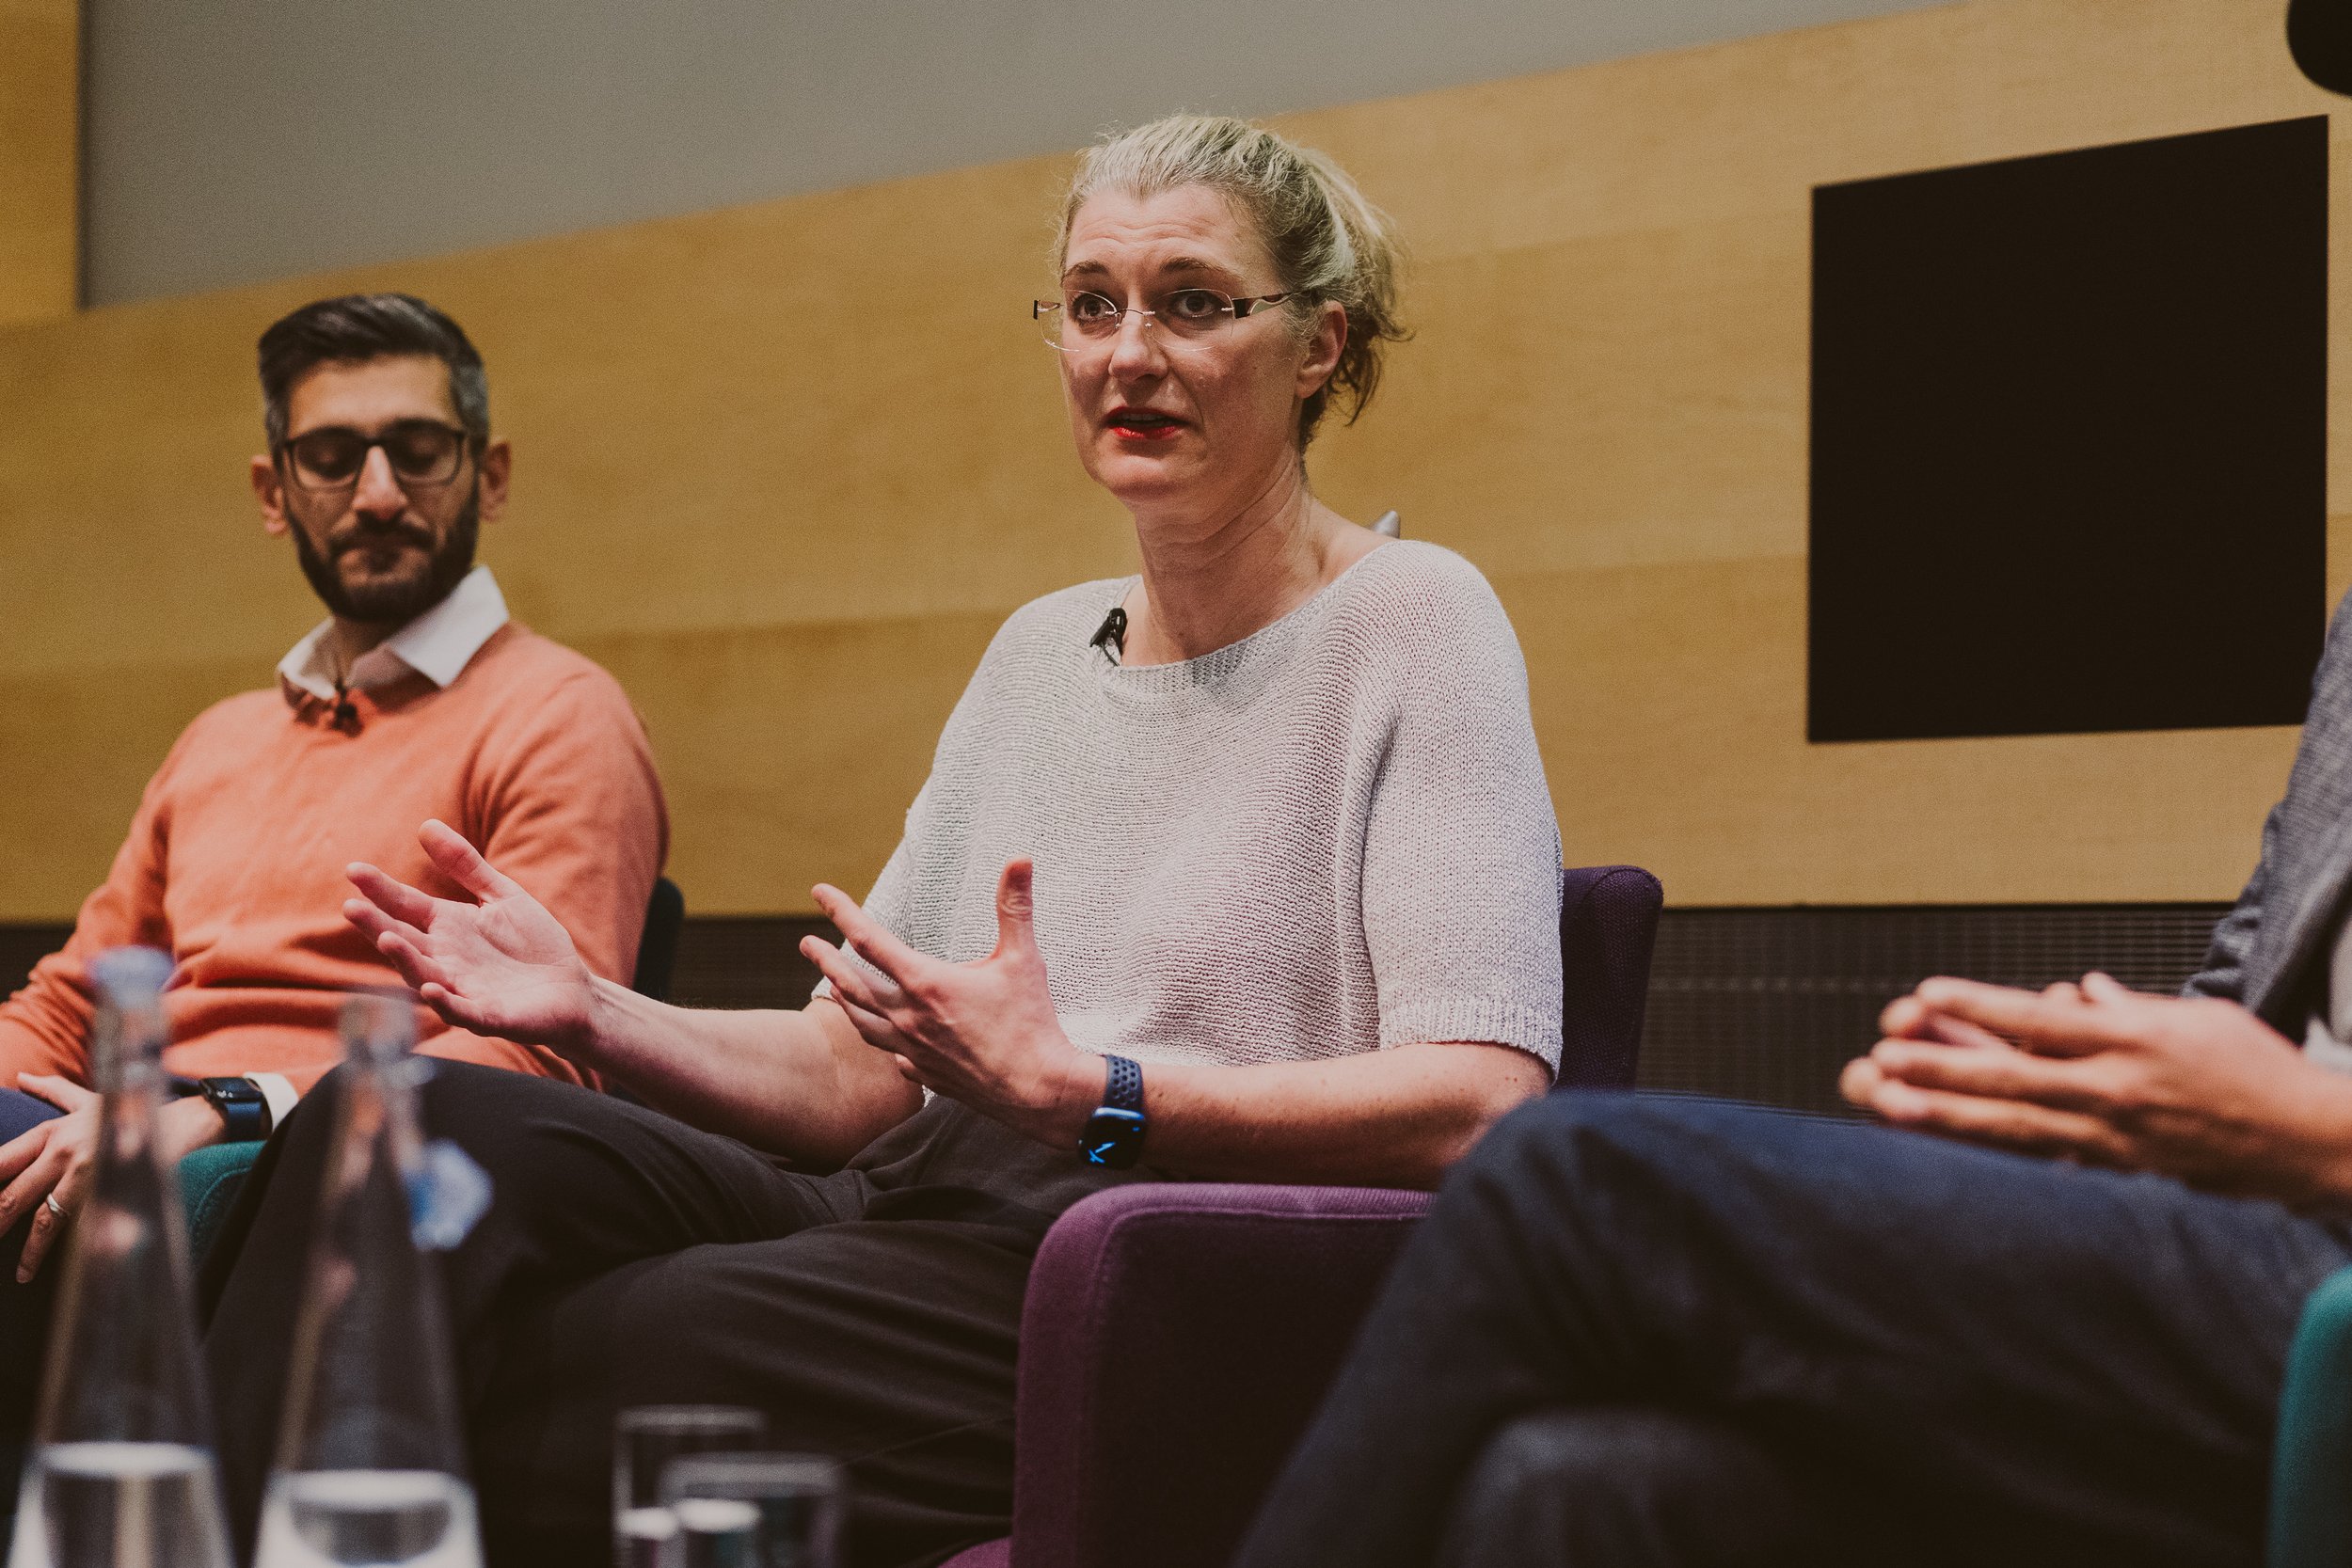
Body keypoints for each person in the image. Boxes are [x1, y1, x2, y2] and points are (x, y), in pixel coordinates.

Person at [198, 114, 1562, 1568]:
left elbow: (1483, 1098)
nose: (1129, 352)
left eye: (1192, 302)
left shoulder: (1415, 618)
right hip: (917, 1197)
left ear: (1318, 345)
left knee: (601, 1338)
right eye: (1092, 303)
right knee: (394, 1118)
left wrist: (1095, 1091)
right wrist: (593, 1007)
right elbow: (854, 1074)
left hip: (1144, 1262)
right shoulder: (1039, 650)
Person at [1230, 616, 2352, 1567]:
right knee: (1570, 1485)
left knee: (1563, 1180)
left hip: (2322, 1257)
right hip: (2243, 1237)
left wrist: (2307, 1124)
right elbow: (2247, 983)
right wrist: (2077, 1090)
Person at [0, 294, 668, 1300]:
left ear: (488, 477)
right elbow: (71, 1003)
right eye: (332, 457)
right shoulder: (217, 737)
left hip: (322, 1158)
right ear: (275, 493)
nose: (380, 493)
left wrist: (231, 1104)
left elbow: (546, 1053)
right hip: (141, 1121)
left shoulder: (561, 712)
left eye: (419, 451)